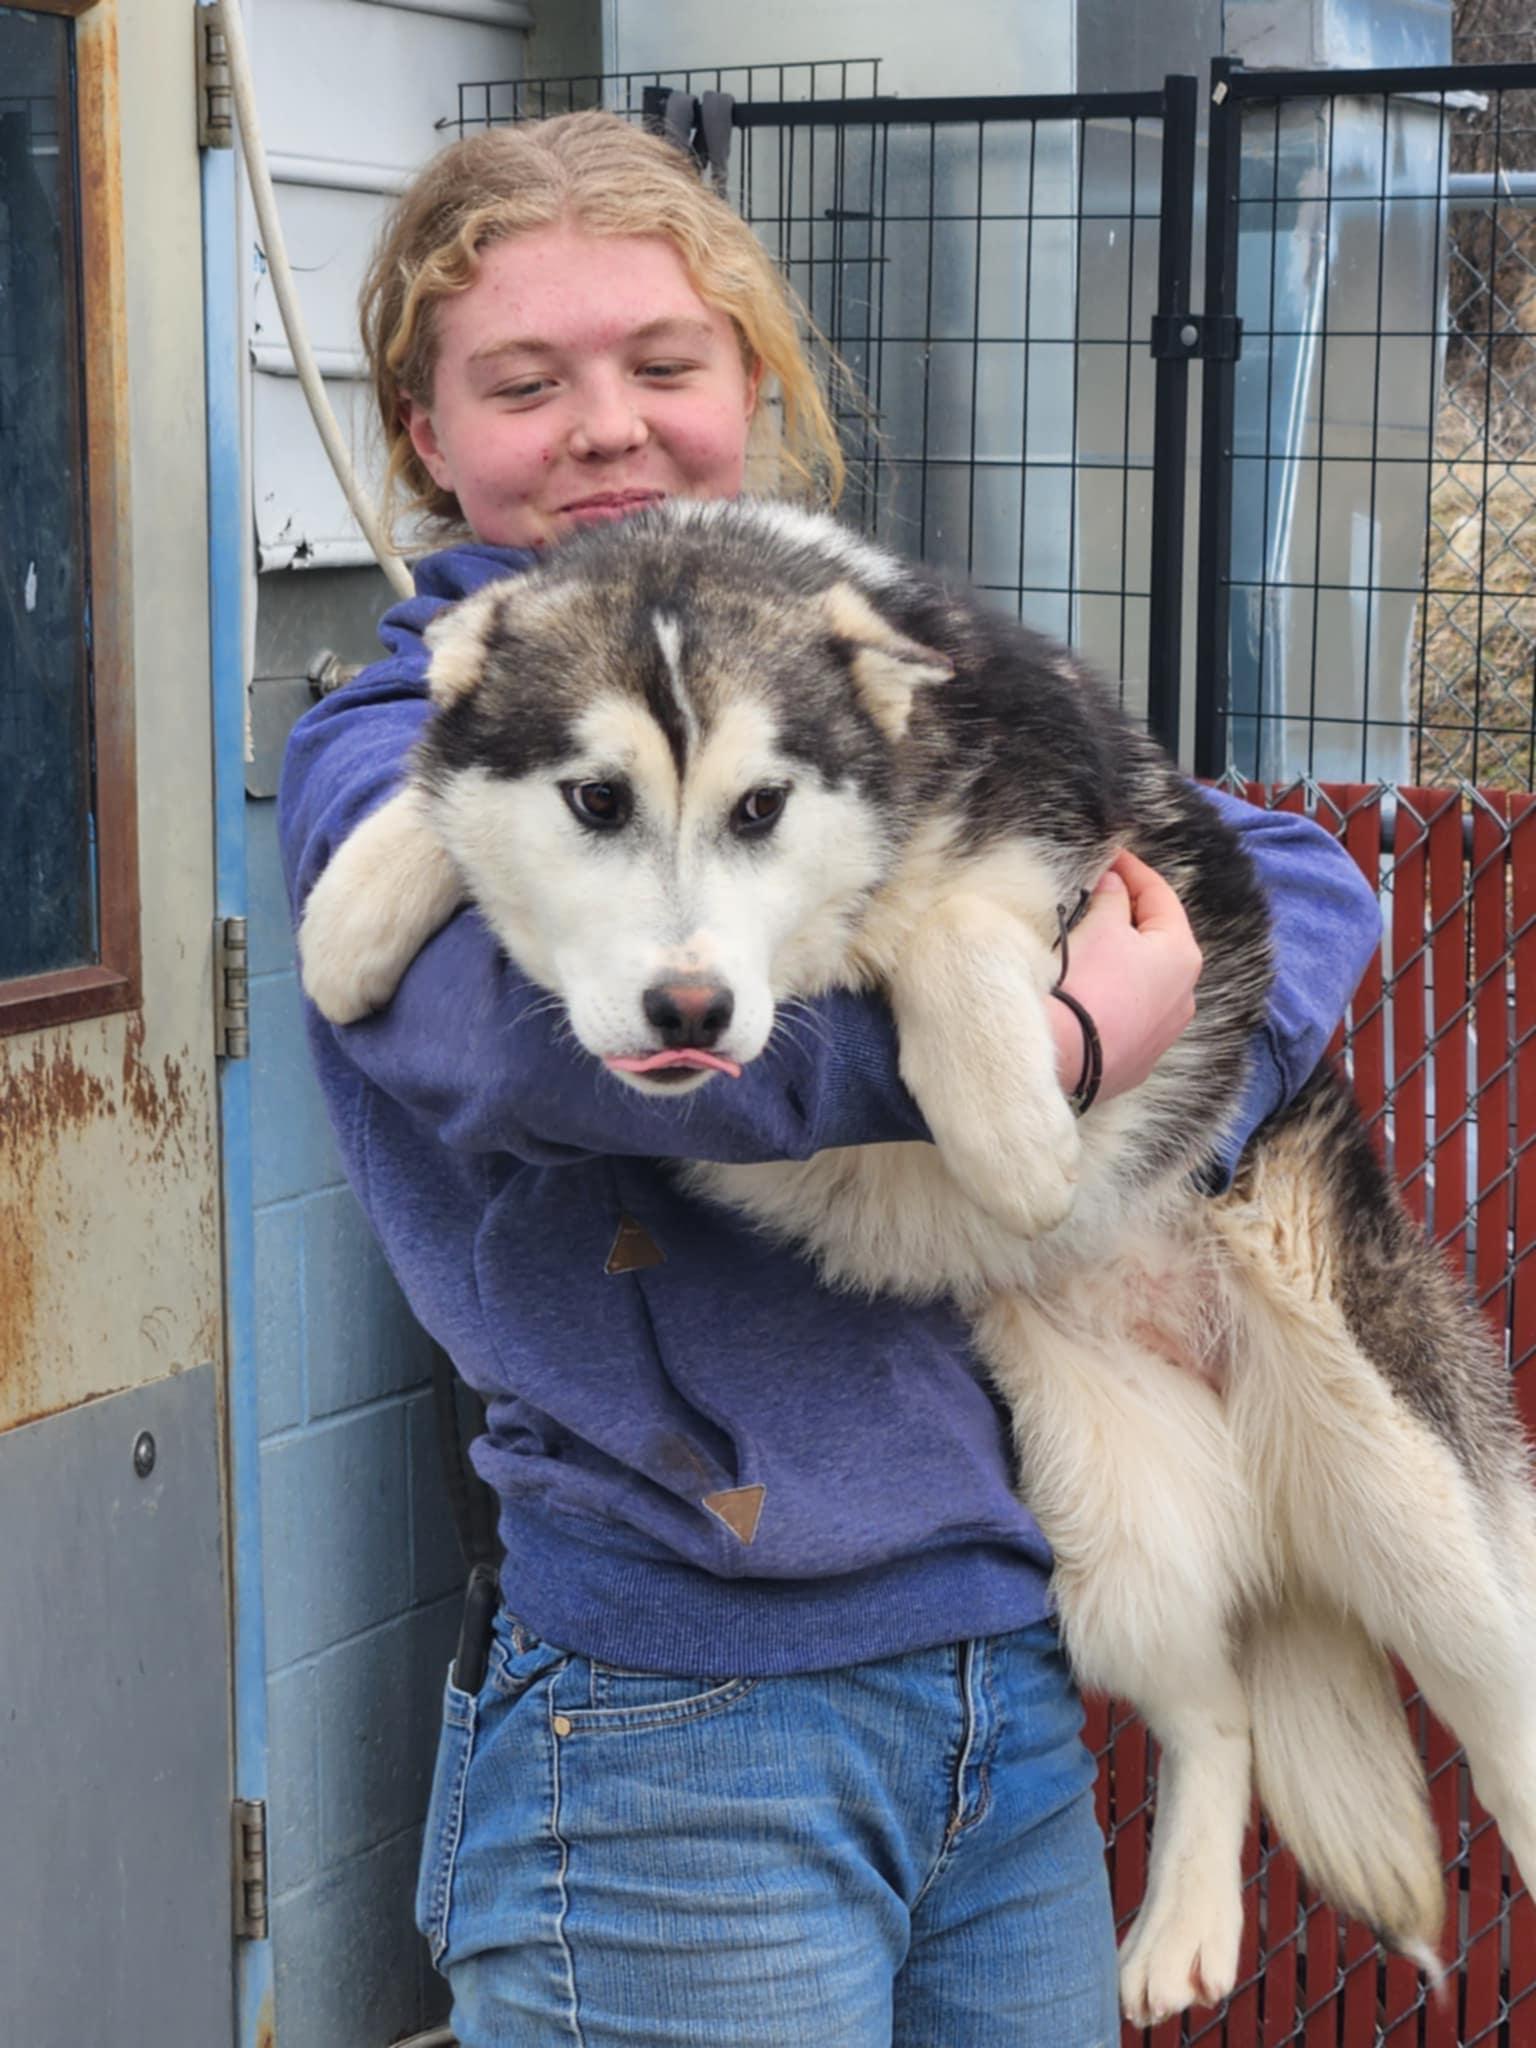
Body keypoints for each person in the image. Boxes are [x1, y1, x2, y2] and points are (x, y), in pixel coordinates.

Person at [278, 111, 1382, 2048]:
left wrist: (1152, 1040)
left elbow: (1292, 877)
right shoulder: (396, 747)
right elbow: (601, 1070)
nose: (605, 424)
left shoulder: (844, 665)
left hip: (999, 1669)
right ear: (425, 431)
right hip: (677, 1725)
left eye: (665, 364)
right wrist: (1050, 1042)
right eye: (525, 384)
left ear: (756, 389)